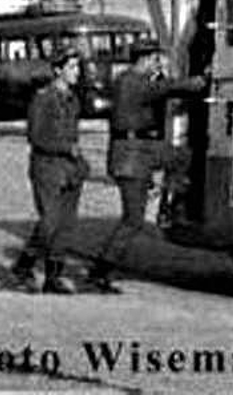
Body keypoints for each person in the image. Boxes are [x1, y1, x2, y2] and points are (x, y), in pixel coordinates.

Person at [86, 41, 202, 292]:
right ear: (144, 59)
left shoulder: (126, 80)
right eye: (155, 59)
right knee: (133, 220)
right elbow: (166, 89)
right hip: (132, 155)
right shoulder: (132, 83)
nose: (157, 64)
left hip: (140, 151)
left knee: (182, 156)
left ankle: (170, 200)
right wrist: (196, 83)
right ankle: (101, 270)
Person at [9, 49, 88, 294]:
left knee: (66, 224)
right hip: (47, 166)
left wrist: (81, 163)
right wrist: (68, 148)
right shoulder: (43, 98)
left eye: (78, 67)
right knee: (49, 221)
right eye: (72, 67)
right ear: (58, 70)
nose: (78, 72)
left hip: (70, 168)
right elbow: (35, 136)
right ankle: (24, 265)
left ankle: (54, 276)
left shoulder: (73, 99)